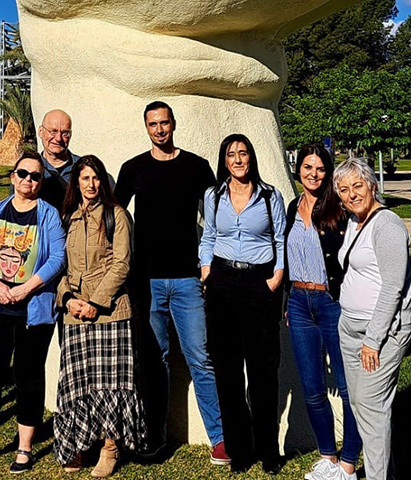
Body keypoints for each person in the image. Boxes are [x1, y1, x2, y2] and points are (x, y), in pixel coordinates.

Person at [115, 101, 225, 465]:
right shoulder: (133, 169)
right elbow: (114, 218)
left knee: (200, 358)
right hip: (146, 282)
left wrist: (210, 267)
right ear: (145, 128)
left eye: (164, 123)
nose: (159, 129)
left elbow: (217, 220)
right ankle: (154, 437)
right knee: (154, 359)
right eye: (152, 124)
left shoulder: (197, 167)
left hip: (187, 279)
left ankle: (220, 438)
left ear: (173, 124)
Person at [0, 153, 66, 473]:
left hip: (33, 312)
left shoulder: (48, 215)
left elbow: (58, 258)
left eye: (36, 176)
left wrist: (26, 288)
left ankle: (24, 448)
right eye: (23, 174)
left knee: (29, 377)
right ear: (12, 176)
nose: (29, 180)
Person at [53, 155, 147, 478]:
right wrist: (67, 299)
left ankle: (110, 447)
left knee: (111, 382)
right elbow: (59, 264)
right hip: (74, 313)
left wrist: (95, 301)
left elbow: (122, 263)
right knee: (79, 381)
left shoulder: (116, 215)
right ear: (76, 183)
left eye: (96, 178)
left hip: (110, 312)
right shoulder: (67, 218)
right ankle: (79, 441)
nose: (91, 185)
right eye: (84, 179)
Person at [198, 134, 286, 474]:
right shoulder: (213, 196)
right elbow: (208, 236)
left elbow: (280, 237)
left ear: (251, 157)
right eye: (231, 154)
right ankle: (239, 449)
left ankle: (268, 450)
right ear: (224, 160)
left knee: (263, 371)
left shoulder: (269, 196)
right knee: (228, 370)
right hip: (222, 281)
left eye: (243, 153)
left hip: (259, 282)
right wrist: (207, 271)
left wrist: (276, 277)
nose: (237, 159)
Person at [283, 145, 361, 480]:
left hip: (332, 303)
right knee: (313, 388)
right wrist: (288, 299)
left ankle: (348, 462)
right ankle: (328, 458)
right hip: (298, 302)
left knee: (348, 389)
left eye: (319, 169)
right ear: (298, 169)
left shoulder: (339, 208)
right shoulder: (292, 207)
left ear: (328, 173)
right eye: (307, 167)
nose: (312, 174)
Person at [334, 158, 411, 480]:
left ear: (372, 185)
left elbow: (393, 287)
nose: (352, 194)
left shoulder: (387, 225)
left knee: (371, 408)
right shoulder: (356, 222)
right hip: (351, 328)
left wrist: (373, 341)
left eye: (357, 186)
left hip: (379, 334)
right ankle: (386, 473)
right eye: (344, 189)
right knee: (360, 404)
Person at [37, 109, 80, 208]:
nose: (58, 138)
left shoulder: (83, 168)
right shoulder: (28, 170)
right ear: (40, 132)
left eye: (65, 133)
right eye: (53, 131)